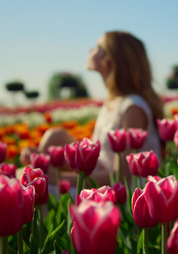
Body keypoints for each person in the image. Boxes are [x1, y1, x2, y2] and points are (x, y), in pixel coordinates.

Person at [21, 31, 163, 190]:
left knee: (34, 189)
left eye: (97, 48)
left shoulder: (133, 108)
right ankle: (35, 176)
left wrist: (57, 179)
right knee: (55, 137)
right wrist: (39, 157)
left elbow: (121, 177)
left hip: (123, 192)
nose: (90, 50)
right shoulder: (113, 101)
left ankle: (36, 184)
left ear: (109, 59)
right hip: (101, 173)